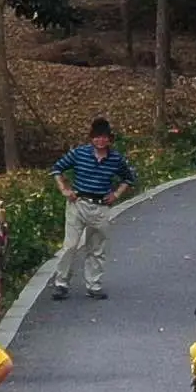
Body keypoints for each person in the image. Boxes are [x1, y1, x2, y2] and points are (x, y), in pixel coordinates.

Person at [57, 119, 137, 295]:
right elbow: (57, 169)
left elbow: (129, 177)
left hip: (100, 206)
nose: (100, 141)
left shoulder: (115, 158)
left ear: (109, 139)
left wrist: (116, 194)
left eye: (104, 137)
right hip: (78, 203)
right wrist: (65, 189)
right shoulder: (79, 153)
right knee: (70, 245)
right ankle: (61, 282)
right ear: (91, 138)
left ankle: (94, 284)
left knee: (97, 248)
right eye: (97, 137)